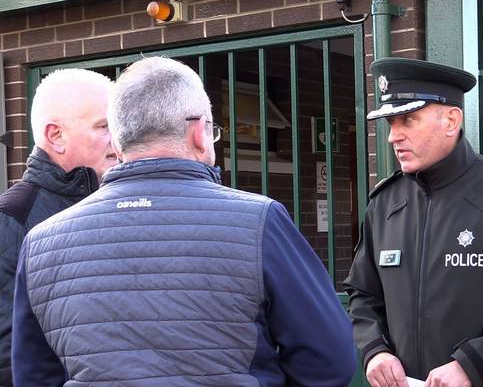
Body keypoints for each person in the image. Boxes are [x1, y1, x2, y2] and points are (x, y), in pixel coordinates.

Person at [11, 56, 356, 386]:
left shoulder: (41, 240)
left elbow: (33, 374)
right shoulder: (260, 221)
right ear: (197, 133)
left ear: (117, 141)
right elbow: (330, 359)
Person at [344, 57, 483, 387]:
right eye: (391, 123)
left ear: (451, 120)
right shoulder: (385, 203)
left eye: (408, 119)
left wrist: (473, 364)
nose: (394, 136)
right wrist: (374, 350)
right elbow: (363, 293)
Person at [0, 68, 116, 386]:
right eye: (104, 127)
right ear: (56, 136)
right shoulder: (12, 218)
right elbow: (7, 356)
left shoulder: (122, 206)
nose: (118, 139)